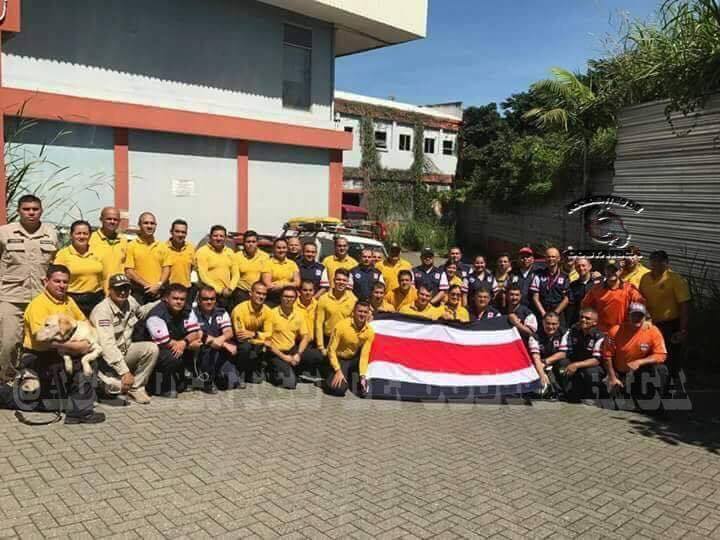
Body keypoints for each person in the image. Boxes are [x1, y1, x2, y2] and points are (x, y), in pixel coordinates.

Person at [17, 264, 103, 423]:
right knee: (79, 366)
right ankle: (80, 413)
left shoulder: (68, 301)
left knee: (85, 362)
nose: (62, 285)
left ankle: (76, 405)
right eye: (57, 281)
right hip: (39, 356)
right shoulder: (38, 305)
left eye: (65, 282)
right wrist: (77, 346)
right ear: (46, 281)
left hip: (59, 353)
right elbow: (41, 339)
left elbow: (83, 321)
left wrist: (84, 340)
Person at [0, 195, 58, 384]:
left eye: (35, 209)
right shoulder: (4, 233)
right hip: (11, 296)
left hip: (41, 298)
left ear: (41, 211)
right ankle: (7, 381)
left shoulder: (51, 233)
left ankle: (40, 380)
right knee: (8, 342)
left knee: (44, 342)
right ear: (18, 211)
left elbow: (54, 264)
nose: (31, 213)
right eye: (26, 209)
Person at [90, 274, 158, 404]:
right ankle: (107, 381)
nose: (122, 292)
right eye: (118, 289)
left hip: (124, 351)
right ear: (109, 290)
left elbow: (141, 312)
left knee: (151, 348)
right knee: (112, 391)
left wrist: (162, 302)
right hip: (105, 361)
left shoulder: (130, 301)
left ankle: (136, 388)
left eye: (126, 289)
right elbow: (107, 346)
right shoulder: (102, 311)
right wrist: (124, 372)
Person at [134, 284, 202, 397]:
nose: (179, 302)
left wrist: (184, 343)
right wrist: (187, 345)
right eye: (175, 298)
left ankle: (186, 379)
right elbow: (164, 342)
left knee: (199, 345)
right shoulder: (156, 315)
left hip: (175, 343)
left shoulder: (188, 309)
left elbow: (195, 332)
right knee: (172, 356)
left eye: (182, 299)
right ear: (166, 298)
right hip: (151, 350)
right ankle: (157, 386)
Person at [603, 303, 669, 411]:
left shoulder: (653, 331)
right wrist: (612, 377)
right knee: (614, 403)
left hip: (639, 373)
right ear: (627, 316)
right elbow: (607, 356)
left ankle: (657, 403)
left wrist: (639, 362)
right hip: (620, 374)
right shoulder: (615, 330)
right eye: (634, 315)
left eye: (640, 316)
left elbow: (661, 355)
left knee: (661, 369)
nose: (637, 318)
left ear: (645, 317)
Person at [639, 250, 690, 383]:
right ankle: (652, 385)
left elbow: (684, 305)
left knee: (669, 358)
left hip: (670, 325)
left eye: (659, 261)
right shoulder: (645, 278)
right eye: (653, 261)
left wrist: (682, 329)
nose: (655, 264)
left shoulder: (675, 279)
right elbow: (640, 300)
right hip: (650, 324)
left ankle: (670, 386)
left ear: (666, 263)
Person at [264, 287, 325, 389]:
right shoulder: (271, 314)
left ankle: (295, 370)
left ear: (295, 299)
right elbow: (267, 342)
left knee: (318, 355)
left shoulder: (298, 314)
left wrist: (298, 354)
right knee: (290, 384)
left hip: (292, 349)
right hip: (276, 352)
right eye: (286, 296)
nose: (289, 299)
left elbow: (305, 336)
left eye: (291, 297)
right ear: (280, 298)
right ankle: (270, 372)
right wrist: (285, 357)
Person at [188, 285, 239, 393]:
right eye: (205, 299)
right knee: (207, 348)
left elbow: (229, 332)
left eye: (212, 299)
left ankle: (212, 377)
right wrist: (224, 344)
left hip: (219, 351)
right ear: (199, 300)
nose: (209, 302)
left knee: (231, 382)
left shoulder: (222, 312)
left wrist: (221, 339)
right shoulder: (192, 313)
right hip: (200, 352)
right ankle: (206, 382)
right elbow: (198, 334)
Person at [53, 220, 104, 317]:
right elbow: (56, 279)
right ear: (71, 235)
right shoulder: (63, 255)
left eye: (85, 233)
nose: (82, 236)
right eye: (78, 233)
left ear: (90, 235)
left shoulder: (98, 252)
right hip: (73, 299)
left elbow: (103, 278)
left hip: (96, 299)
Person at [324, 301, 375, 397]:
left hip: (353, 359)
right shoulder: (341, 326)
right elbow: (331, 350)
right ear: (353, 312)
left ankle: (352, 377)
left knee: (363, 391)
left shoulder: (369, 331)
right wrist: (338, 370)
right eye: (360, 311)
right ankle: (328, 378)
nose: (362, 314)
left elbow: (364, 356)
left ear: (368, 314)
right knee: (339, 389)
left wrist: (363, 376)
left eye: (365, 312)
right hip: (339, 359)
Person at [554, 307, 606, 402]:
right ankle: (567, 392)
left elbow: (596, 360)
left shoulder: (599, 336)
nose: (583, 320)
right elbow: (564, 351)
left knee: (591, 372)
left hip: (591, 367)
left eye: (587, 318)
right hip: (574, 366)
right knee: (561, 365)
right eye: (581, 317)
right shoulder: (572, 331)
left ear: (595, 323)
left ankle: (592, 396)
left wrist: (576, 365)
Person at [582, 261, 645, 332]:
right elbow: (585, 306)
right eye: (608, 270)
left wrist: (645, 321)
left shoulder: (629, 289)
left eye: (614, 270)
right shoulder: (596, 288)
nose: (611, 272)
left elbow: (640, 304)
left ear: (620, 271)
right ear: (604, 271)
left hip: (622, 331)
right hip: (601, 332)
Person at [124, 212, 171, 304]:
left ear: (156, 226)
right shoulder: (131, 246)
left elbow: (167, 269)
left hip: (159, 293)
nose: (149, 226)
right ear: (139, 225)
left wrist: (158, 285)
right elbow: (129, 271)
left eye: (152, 223)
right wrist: (148, 286)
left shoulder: (163, 246)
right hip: (138, 293)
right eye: (146, 223)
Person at [231, 281, 271, 384]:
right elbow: (241, 336)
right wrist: (261, 339)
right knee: (246, 347)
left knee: (269, 344)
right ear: (250, 293)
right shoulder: (239, 310)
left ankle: (258, 369)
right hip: (239, 342)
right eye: (258, 293)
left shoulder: (268, 311)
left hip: (255, 340)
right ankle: (240, 371)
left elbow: (270, 334)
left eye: (264, 294)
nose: (261, 296)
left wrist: (255, 334)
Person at [195, 225, 238, 309]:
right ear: (210, 237)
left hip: (227, 294)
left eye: (221, 236)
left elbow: (236, 273)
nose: (218, 238)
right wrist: (220, 290)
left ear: (225, 238)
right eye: (215, 236)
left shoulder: (230, 252)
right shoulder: (202, 252)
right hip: (209, 296)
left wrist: (230, 289)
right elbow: (203, 276)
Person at [315, 268, 357, 355]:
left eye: (344, 280)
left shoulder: (353, 300)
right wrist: (321, 347)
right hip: (328, 340)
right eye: (338, 279)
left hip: (345, 341)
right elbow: (319, 324)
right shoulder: (323, 299)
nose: (341, 282)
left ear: (347, 282)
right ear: (333, 280)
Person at [89, 206, 128, 289]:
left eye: (115, 219)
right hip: (97, 291)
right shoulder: (90, 239)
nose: (112, 222)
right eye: (109, 219)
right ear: (101, 219)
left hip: (118, 290)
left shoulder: (123, 240)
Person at [528, 312, 567, 392]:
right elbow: (536, 358)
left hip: (554, 363)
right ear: (543, 323)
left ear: (558, 324)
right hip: (540, 364)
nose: (550, 327)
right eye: (548, 323)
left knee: (564, 363)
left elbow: (563, 354)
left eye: (554, 324)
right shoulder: (534, 336)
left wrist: (545, 362)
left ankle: (565, 390)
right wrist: (542, 375)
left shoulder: (564, 333)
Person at [530, 247, 570, 325]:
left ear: (558, 258)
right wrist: (544, 314)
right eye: (548, 257)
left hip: (558, 313)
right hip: (542, 312)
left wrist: (555, 314)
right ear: (545, 259)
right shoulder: (538, 275)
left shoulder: (565, 276)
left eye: (553, 257)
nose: (550, 259)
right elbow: (535, 297)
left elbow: (566, 299)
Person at [261, 238, 300, 307]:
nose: (281, 250)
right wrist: (290, 284)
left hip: (289, 299)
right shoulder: (267, 263)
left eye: (284, 248)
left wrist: (281, 285)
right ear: (273, 249)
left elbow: (297, 283)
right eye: (278, 248)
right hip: (272, 299)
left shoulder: (292, 264)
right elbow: (268, 285)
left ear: (287, 249)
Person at [234, 230, 270, 304]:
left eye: (253, 242)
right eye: (248, 242)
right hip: (241, 292)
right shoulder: (237, 256)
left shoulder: (265, 257)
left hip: (259, 292)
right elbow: (235, 276)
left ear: (257, 243)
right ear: (244, 243)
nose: (251, 244)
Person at [566, 257, 599, 327]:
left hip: (596, 323)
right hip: (579, 322)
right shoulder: (573, 285)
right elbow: (571, 307)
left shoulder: (598, 283)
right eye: (578, 266)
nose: (581, 268)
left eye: (583, 265)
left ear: (590, 267)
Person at [166, 219, 195, 292]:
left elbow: (191, 268)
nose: (180, 235)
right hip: (168, 290)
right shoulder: (163, 248)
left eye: (183, 232)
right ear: (171, 232)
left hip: (186, 290)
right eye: (177, 231)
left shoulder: (191, 248)